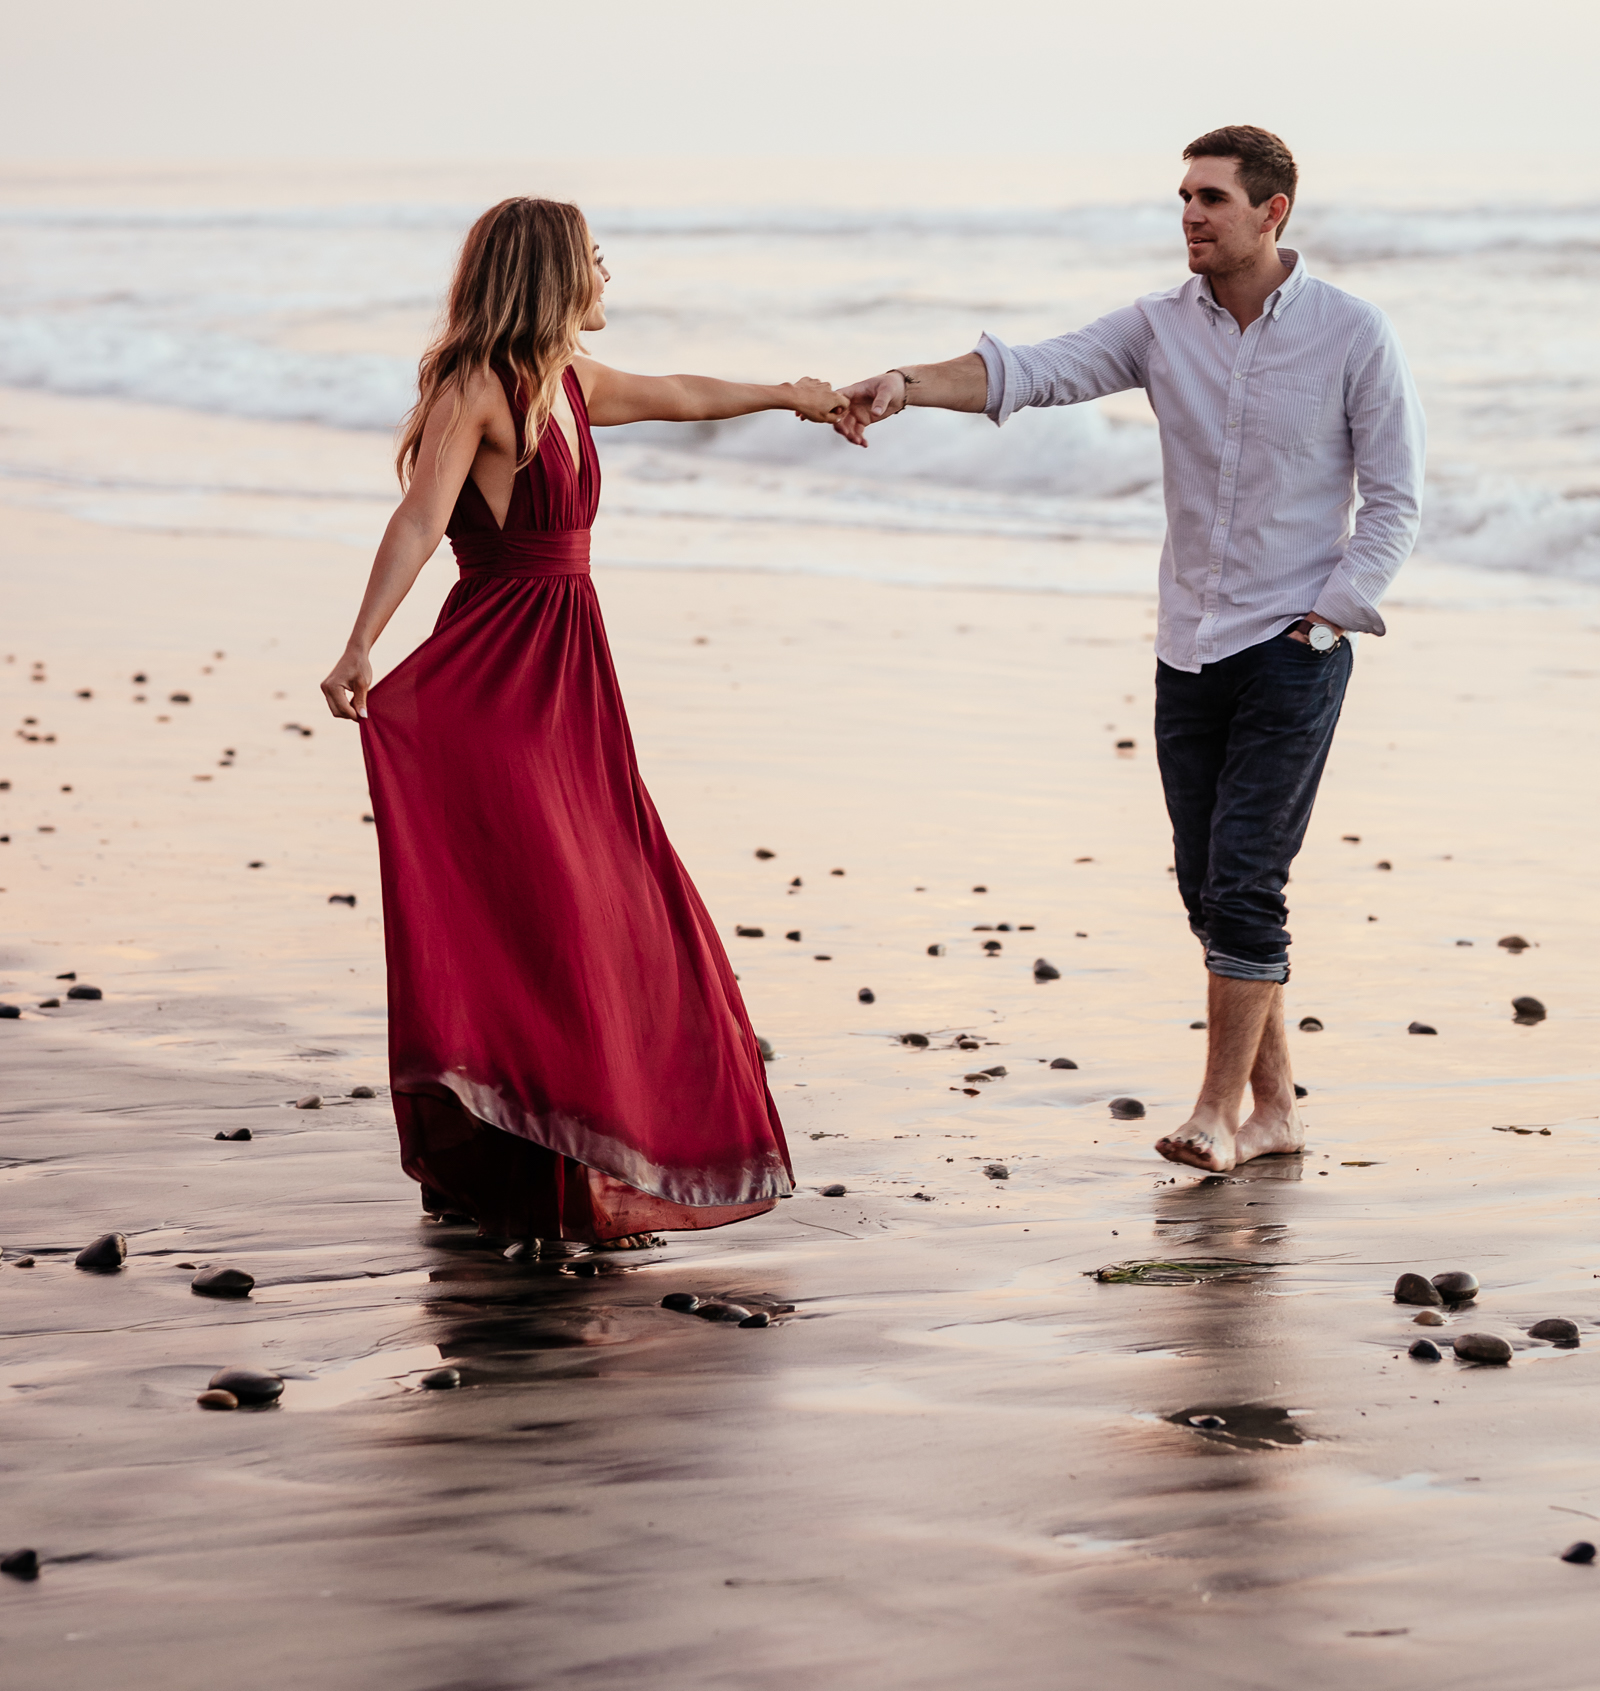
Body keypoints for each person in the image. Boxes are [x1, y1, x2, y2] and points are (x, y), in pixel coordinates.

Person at [829, 126, 1425, 1175]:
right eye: (1183, 198)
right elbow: (1033, 370)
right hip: (1187, 645)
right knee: (1206, 888)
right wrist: (901, 382)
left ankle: (1213, 1114)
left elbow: (1394, 500)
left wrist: (1330, 614)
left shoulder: (1351, 333)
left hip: (1295, 645)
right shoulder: (1159, 327)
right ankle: (1277, 1110)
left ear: (1271, 211)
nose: (1190, 215)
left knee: (1245, 884)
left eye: (1211, 199)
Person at [319, 195, 843, 1249]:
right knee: (547, 908)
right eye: (597, 259)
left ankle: (556, 1159)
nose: (609, 276)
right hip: (495, 674)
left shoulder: (571, 381)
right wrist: (360, 641)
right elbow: (422, 514)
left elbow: (684, 392)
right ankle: (518, 1157)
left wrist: (791, 396)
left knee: (609, 898)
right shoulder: (478, 386)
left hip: (571, 673)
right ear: (553, 272)